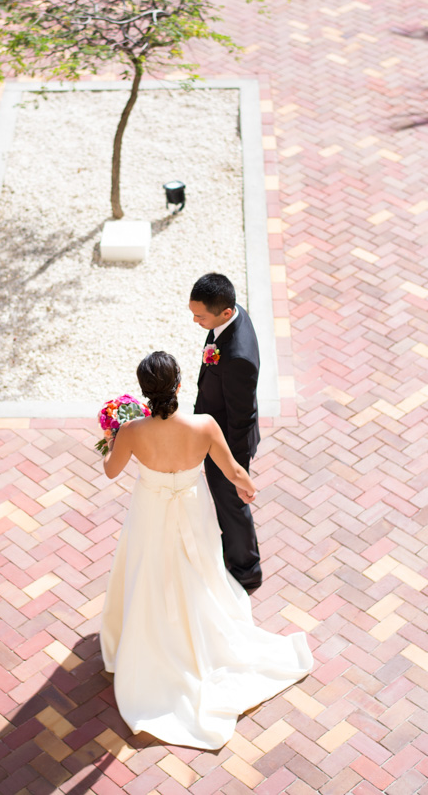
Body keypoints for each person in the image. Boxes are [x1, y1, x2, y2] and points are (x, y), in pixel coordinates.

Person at [100, 351, 312, 749]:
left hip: (151, 511)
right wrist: (246, 486)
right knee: (198, 568)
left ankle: (151, 638)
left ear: (145, 394)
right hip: (192, 508)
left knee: (150, 570)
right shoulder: (204, 425)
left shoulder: (131, 431)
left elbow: (112, 470)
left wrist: (111, 439)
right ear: (179, 386)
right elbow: (232, 469)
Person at [190, 272, 262, 593]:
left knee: (232, 503)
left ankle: (246, 569)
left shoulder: (238, 358)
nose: (195, 321)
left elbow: (241, 418)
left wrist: (234, 470)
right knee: (226, 503)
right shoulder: (229, 318)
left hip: (228, 444)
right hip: (215, 421)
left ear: (225, 312)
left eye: (200, 316)